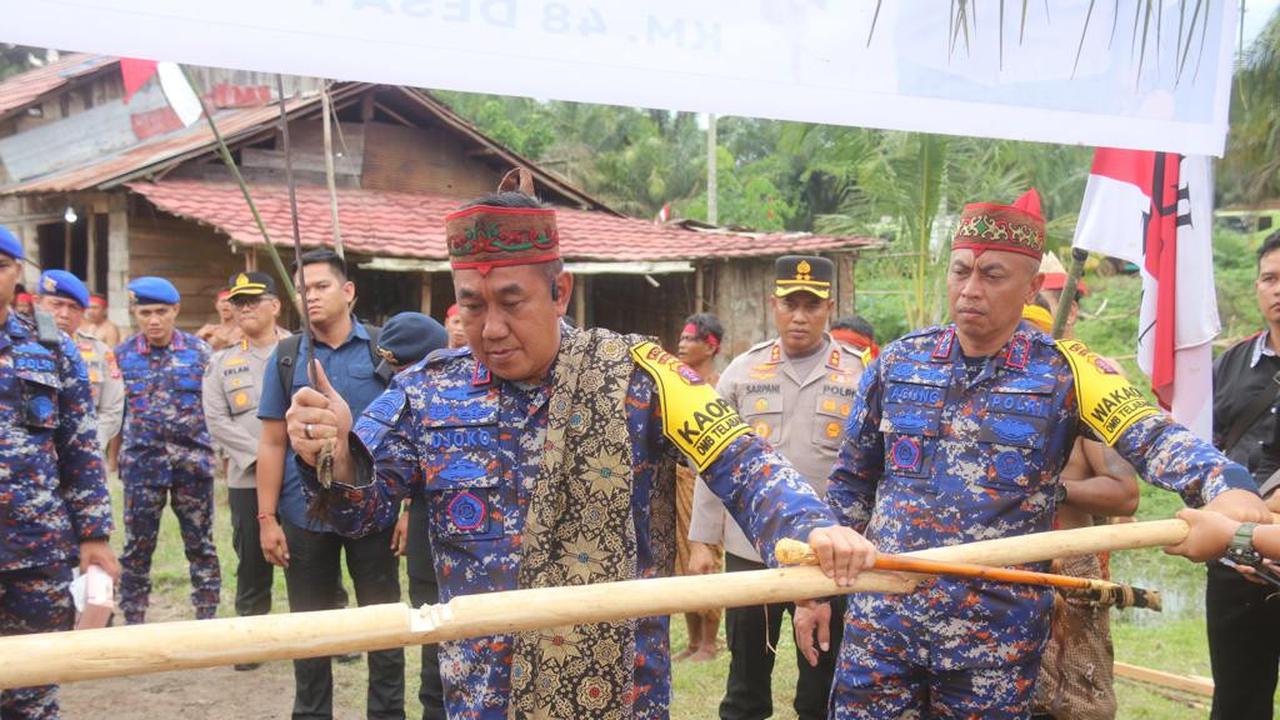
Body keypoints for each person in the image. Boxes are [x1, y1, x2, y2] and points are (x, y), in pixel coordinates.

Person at [283, 188, 876, 720]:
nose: (491, 328)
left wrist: (812, 527)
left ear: (560, 292)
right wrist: (334, 454)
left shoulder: (639, 376)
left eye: (511, 302)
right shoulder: (425, 392)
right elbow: (361, 511)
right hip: (486, 696)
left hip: (620, 694)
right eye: (473, 305)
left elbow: (742, 462)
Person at [803, 188, 1269, 719]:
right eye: (961, 271)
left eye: (992, 275)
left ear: (1029, 287)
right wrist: (815, 591)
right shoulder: (898, 362)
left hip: (992, 646)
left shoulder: (1066, 372)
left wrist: (1225, 483)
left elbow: (1154, 436)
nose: (970, 289)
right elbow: (850, 486)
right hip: (882, 629)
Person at [689, 256, 866, 720]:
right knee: (745, 683)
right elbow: (712, 458)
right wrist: (702, 541)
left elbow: (871, 468)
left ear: (830, 308)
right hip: (750, 551)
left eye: (812, 305)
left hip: (829, 556)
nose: (800, 316)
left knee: (822, 682)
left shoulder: (859, 374)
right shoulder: (743, 372)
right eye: (790, 304)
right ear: (774, 305)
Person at [256, 249, 404, 720]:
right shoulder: (286, 356)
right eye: (302, 290)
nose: (311, 297)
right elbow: (272, 442)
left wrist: (407, 510)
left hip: (374, 511)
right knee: (310, 633)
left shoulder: (383, 350)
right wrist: (266, 518)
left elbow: (409, 437)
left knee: (383, 627)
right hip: (304, 514)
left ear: (348, 291)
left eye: (321, 286)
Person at [0, 226, 119, 718]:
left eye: (0, 266)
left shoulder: (50, 346)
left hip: (36, 547)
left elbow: (80, 446)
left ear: (16, 274)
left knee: (32, 689)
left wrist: (94, 535)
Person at [1029, 273, 1139, 720]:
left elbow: (1125, 493)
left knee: (1079, 704)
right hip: (991, 572)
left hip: (1068, 569)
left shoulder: (1081, 387)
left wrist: (1050, 490)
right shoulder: (970, 389)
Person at [1202, 230, 1280, 720]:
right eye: (1269, 278)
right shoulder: (1229, 364)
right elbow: (1201, 450)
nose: (1278, 290)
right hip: (1235, 562)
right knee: (1237, 701)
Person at [115, 276, 221, 625]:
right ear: (135, 314)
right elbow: (115, 412)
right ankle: (133, 620)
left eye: (161, 311)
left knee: (201, 546)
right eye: (145, 313)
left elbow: (215, 408)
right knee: (136, 548)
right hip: (142, 468)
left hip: (192, 467)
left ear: (176, 310)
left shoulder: (200, 353)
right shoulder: (122, 356)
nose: (154, 320)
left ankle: (207, 619)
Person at [201, 272, 290, 671]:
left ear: (275, 305)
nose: (245, 308)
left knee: (313, 555)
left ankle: (328, 636)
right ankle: (252, 641)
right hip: (248, 476)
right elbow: (216, 420)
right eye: (238, 302)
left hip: (299, 474)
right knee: (251, 558)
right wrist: (262, 458)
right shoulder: (221, 362)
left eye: (254, 300)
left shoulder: (300, 351)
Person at [376, 312, 450, 720]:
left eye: (404, 368)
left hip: (484, 554)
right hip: (426, 539)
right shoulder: (398, 399)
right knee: (433, 652)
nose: (399, 380)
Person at [672, 312, 726, 663]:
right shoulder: (677, 384)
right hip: (678, 476)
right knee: (682, 557)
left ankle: (709, 643)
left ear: (710, 347)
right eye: (682, 337)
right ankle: (693, 642)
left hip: (708, 480)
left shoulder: (719, 387)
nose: (682, 344)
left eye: (691, 339)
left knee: (707, 555)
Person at [37, 269, 125, 452]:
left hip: (83, 455)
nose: (64, 314)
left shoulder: (100, 352)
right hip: (27, 457)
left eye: (73, 307)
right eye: (56, 304)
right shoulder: (14, 346)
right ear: (37, 302)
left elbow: (112, 409)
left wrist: (87, 444)